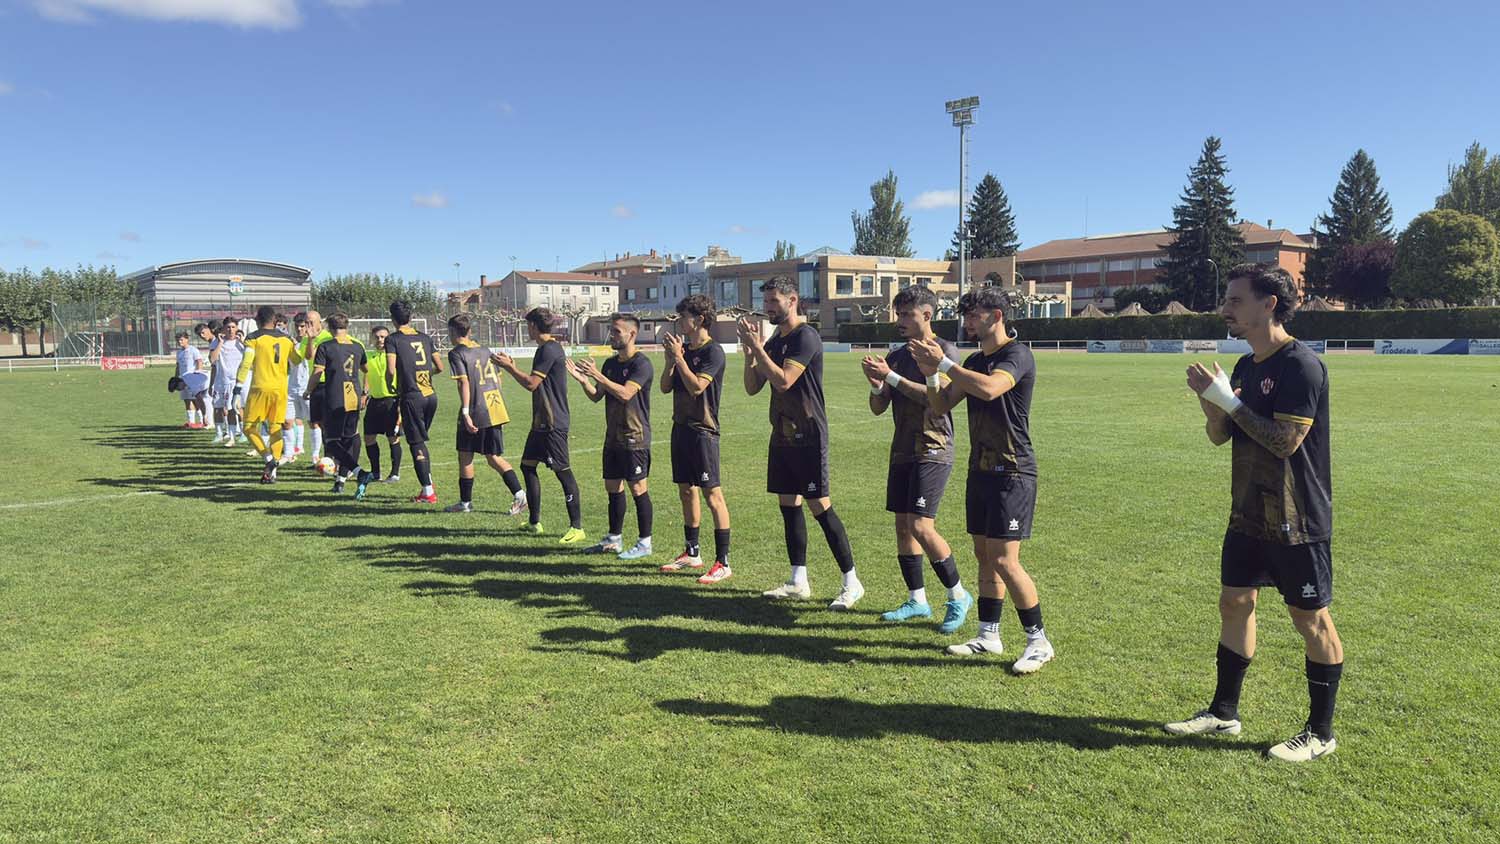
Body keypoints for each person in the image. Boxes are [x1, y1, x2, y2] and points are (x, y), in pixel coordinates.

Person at [1167, 263, 1343, 762]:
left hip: (1297, 518)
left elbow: (1286, 442)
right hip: (1247, 513)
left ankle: (1321, 733)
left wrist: (1229, 402)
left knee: (1310, 619)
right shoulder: (1246, 365)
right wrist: (1213, 405)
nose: (1225, 308)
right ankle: (1223, 712)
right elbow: (1220, 436)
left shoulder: (1301, 366)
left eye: (1235, 300)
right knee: (1235, 603)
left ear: (1269, 304)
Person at [914, 285, 1054, 674]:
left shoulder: (1017, 355)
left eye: (973, 315)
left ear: (996, 316)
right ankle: (988, 634)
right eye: (966, 316)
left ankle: (1038, 641)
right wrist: (931, 375)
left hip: (1013, 470)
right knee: (984, 555)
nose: (967, 322)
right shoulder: (975, 360)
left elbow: (992, 389)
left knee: (1006, 560)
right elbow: (940, 404)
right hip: (980, 470)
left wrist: (944, 363)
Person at [737, 276, 862, 609]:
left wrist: (758, 349)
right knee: (788, 506)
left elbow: (784, 381)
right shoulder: (775, 340)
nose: (767, 308)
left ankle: (852, 582)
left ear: (792, 301)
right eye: (765, 302)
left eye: (773, 301)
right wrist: (750, 354)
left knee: (819, 506)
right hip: (781, 435)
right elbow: (752, 387)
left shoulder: (805, 337)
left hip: (808, 435)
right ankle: (798, 580)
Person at [861, 285, 972, 632]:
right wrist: (877, 384)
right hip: (902, 449)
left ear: (927, 314)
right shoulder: (895, 356)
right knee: (904, 527)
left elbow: (935, 399)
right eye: (898, 314)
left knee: (922, 526)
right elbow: (878, 407)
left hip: (933, 447)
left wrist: (891, 377)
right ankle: (917, 600)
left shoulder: (944, 351)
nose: (900, 321)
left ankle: (958, 595)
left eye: (907, 314)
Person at [490, 307, 586, 544]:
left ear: (533, 326)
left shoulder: (549, 349)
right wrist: (512, 366)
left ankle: (577, 528)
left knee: (563, 472)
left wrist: (509, 367)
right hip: (541, 422)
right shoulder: (545, 348)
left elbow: (532, 384)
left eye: (528, 325)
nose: (527, 329)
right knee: (527, 466)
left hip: (553, 422)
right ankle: (534, 522)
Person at [566, 313, 655, 560]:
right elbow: (597, 396)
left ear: (632, 334)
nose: (611, 335)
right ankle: (613, 539)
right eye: (611, 330)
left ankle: (645, 542)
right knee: (612, 487)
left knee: (638, 488)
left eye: (616, 331)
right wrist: (584, 380)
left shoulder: (641, 364)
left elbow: (626, 394)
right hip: (613, 437)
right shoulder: (610, 364)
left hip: (635, 437)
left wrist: (598, 375)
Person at [658, 294, 733, 584]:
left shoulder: (714, 352)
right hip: (680, 429)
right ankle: (692, 553)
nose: (679, 321)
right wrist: (671, 361)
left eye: (683, 316)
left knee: (712, 495)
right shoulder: (684, 350)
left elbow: (697, 387)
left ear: (700, 319)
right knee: (686, 491)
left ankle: (723, 562)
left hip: (703, 431)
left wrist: (679, 358)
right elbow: (666, 387)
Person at [443, 313, 526, 514]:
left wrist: (465, 412)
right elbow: (498, 379)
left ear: (452, 331)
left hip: (475, 409)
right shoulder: (485, 350)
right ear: (469, 330)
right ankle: (520, 495)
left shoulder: (456, 353)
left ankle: (465, 503)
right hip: (493, 406)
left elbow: (463, 383)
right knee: (493, 456)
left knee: (465, 455)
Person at [385, 300, 442, 502]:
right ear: (410, 317)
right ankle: (428, 482)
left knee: (416, 442)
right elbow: (440, 367)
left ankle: (428, 492)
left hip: (412, 397)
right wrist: (424, 375)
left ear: (393, 319)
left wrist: (391, 384)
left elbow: (391, 369)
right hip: (430, 396)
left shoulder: (393, 339)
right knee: (420, 441)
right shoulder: (425, 338)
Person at [308, 313, 369, 496]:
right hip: (353, 396)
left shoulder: (326, 346)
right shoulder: (357, 346)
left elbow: (318, 372)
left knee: (332, 442)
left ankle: (359, 472)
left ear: (328, 327)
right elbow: (367, 369)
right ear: (347, 326)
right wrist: (365, 391)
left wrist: (308, 390)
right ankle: (340, 481)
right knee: (349, 438)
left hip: (335, 397)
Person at [234, 305, 296, 483]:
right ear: (275, 320)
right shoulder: (286, 339)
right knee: (275, 428)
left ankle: (269, 460)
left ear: (257, 320)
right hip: (280, 389)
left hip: (260, 388)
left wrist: (237, 388)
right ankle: (272, 473)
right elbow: (297, 360)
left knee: (248, 427)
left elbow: (246, 363)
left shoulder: (253, 338)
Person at [362, 325, 404, 484]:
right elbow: (367, 374)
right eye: (377, 337)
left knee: (393, 438)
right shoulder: (368, 356)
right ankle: (375, 472)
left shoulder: (394, 356)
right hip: (374, 401)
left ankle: (394, 473)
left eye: (383, 337)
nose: (380, 340)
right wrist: (365, 392)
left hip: (391, 401)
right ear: (372, 338)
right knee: (369, 437)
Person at [294, 310, 330, 468]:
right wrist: (310, 340)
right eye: (306, 322)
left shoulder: (328, 337)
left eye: (311, 322)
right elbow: (309, 357)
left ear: (319, 323)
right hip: (315, 384)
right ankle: (319, 458)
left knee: (328, 424)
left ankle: (332, 459)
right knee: (317, 422)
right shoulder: (305, 339)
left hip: (329, 383)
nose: (308, 325)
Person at [210, 320, 247, 447]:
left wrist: (243, 342)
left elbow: (251, 357)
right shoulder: (218, 342)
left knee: (237, 408)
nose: (231, 330)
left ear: (237, 328)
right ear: (224, 329)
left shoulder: (242, 342)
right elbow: (213, 359)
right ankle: (224, 435)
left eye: (233, 327)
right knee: (222, 408)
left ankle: (240, 434)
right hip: (222, 380)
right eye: (228, 327)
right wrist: (220, 343)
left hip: (237, 381)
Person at [283, 313, 313, 462]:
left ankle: (314, 456)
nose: (299, 329)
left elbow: (309, 359)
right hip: (291, 386)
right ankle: (289, 453)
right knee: (287, 421)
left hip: (308, 387)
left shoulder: (312, 342)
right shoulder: (290, 343)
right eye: (297, 326)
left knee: (312, 422)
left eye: (302, 326)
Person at [173, 332, 209, 429]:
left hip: (192, 379)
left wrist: (198, 373)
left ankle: (202, 421)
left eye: (181, 339)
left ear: (187, 339)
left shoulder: (193, 350)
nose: (179, 342)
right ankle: (191, 422)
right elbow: (178, 366)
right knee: (186, 400)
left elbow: (199, 361)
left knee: (196, 400)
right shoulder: (179, 352)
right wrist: (176, 378)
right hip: (182, 380)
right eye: (178, 340)